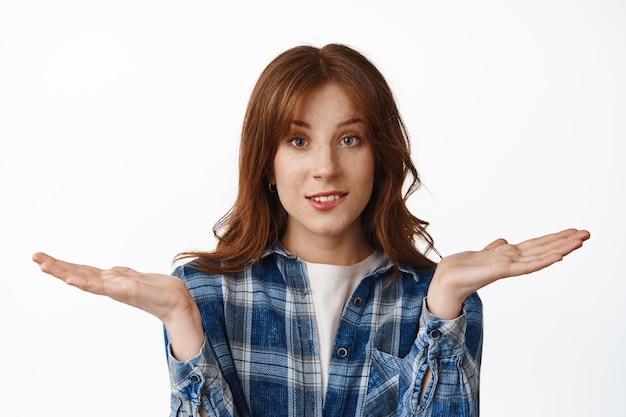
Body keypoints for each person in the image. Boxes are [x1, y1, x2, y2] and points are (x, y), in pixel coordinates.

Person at [32, 44, 590, 417]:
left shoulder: (435, 297)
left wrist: (443, 303)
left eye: (350, 138)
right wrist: (181, 320)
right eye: (298, 141)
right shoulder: (206, 295)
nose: (325, 167)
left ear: (381, 156)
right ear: (266, 161)